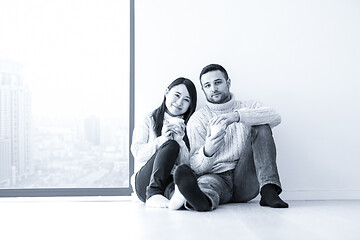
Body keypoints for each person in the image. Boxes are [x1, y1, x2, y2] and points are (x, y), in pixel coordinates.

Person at [172, 64, 288, 211]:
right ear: (203, 90)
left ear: (228, 82)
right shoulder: (198, 119)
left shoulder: (249, 105)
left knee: (261, 125)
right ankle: (202, 200)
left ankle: (269, 190)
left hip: (247, 178)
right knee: (205, 184)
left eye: (218, 82)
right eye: (207, 85)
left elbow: (275, 117)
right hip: (216, 176)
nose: (213, 88)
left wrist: (236, 116)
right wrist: (208, 151)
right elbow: (196, 166)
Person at [130, 77, 197, 208]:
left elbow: (189, 167)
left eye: (186, 100)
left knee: (180, 196)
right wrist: (162, 140)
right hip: (145, 183)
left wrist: (180, 142)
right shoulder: (149, 119)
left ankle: (183, 200)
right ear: (167, 93)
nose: (179, 102)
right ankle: (153, 193)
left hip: (170, 182)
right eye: (177, 95)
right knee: (171, 145)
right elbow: (138, 153)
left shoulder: (191, 125)